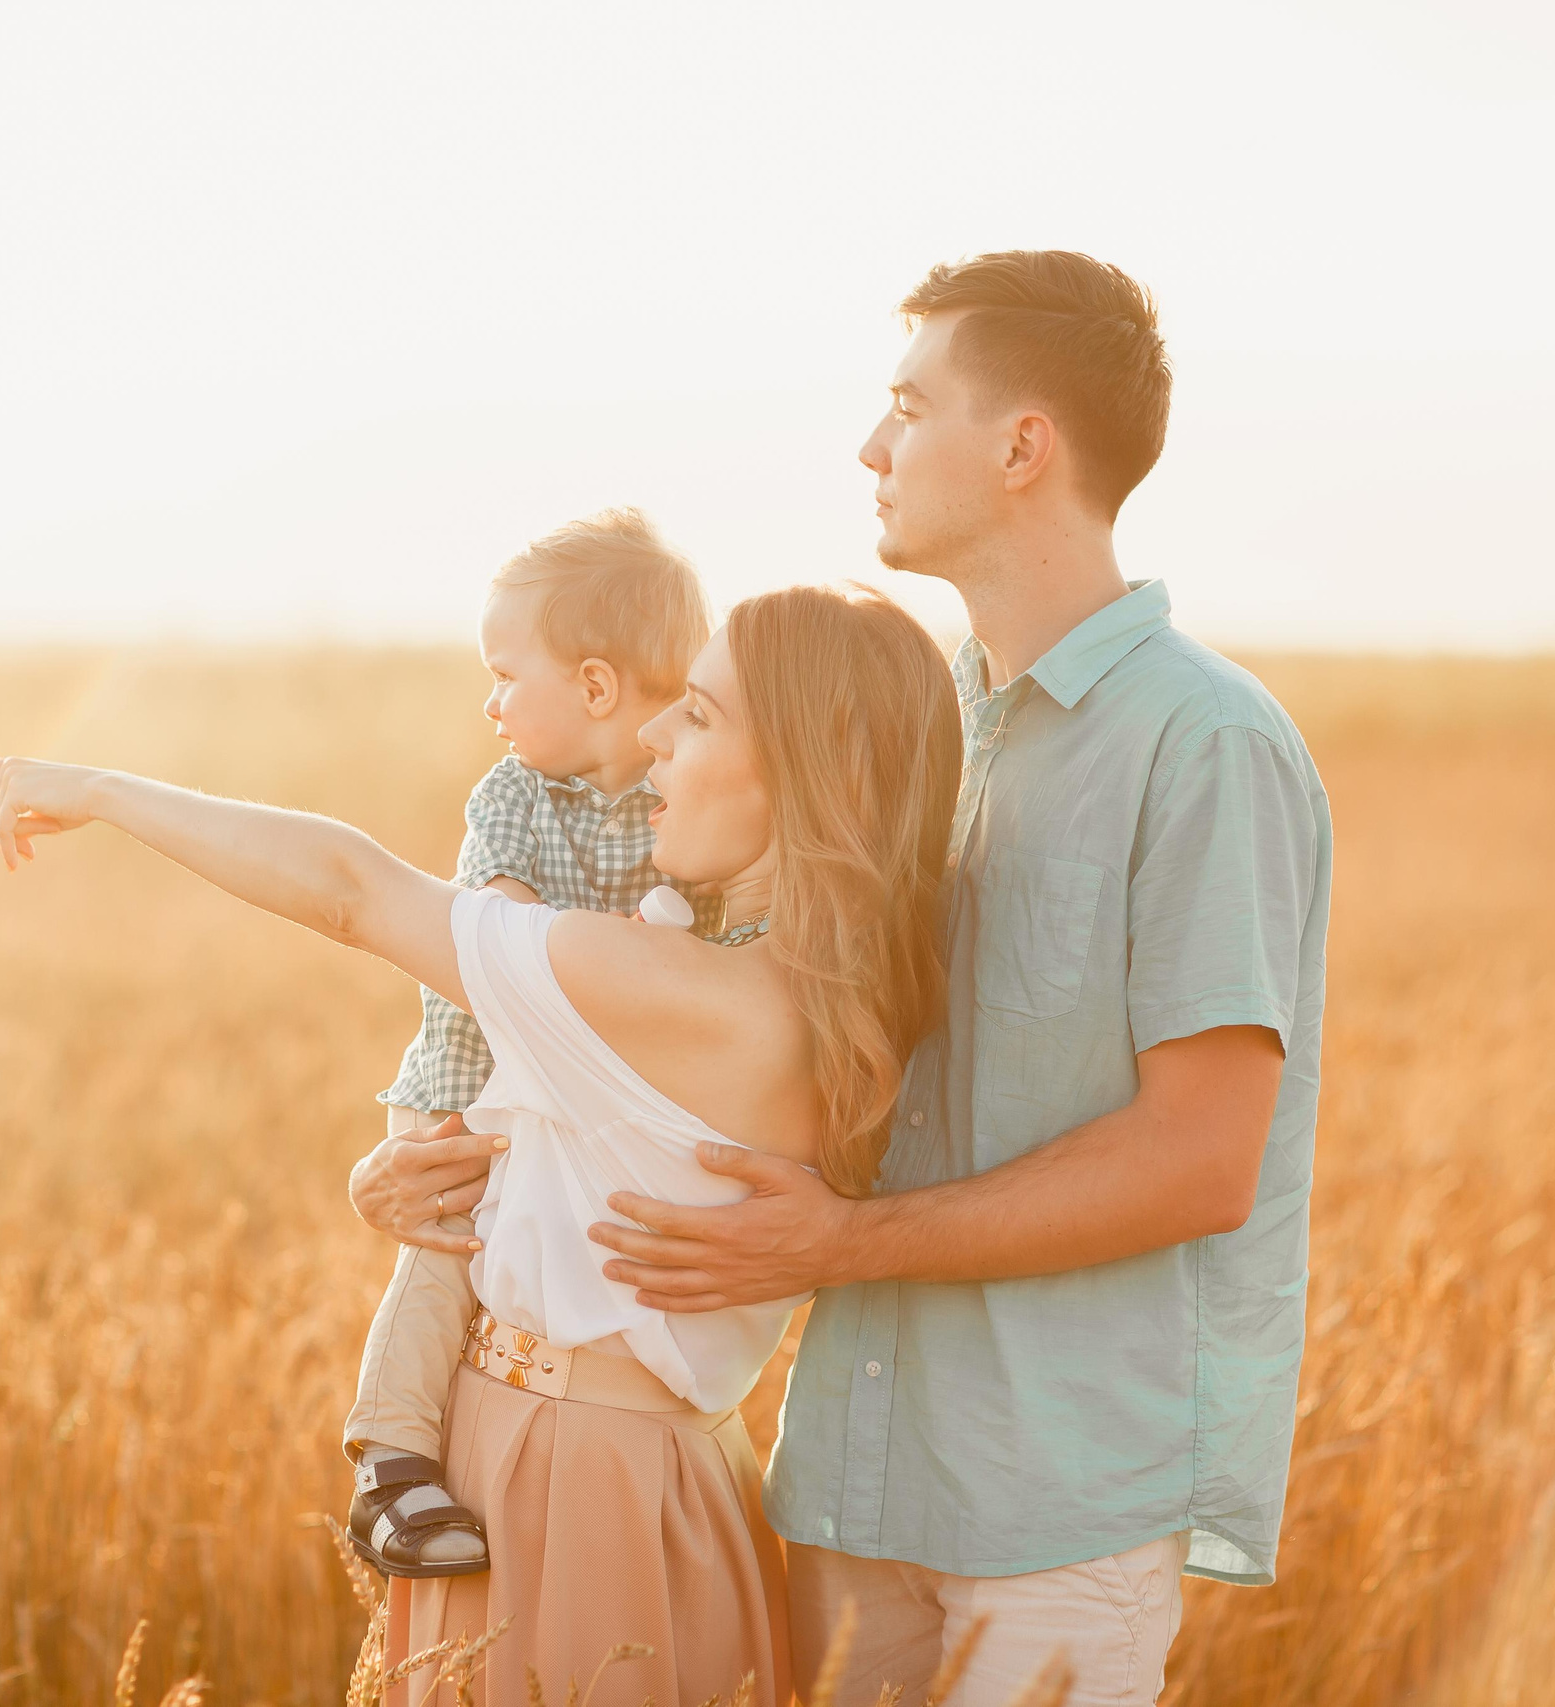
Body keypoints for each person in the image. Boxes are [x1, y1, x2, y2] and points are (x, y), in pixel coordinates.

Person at [354, 251, 1334, 1707]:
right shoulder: (900, 720)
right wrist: (453, 1169)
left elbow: (1199, 1160)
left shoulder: (1203, 743)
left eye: (906, 403)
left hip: (1051, 1510)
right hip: (849, 1483)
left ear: (1021, 448)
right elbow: (668, 1020)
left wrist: (834, 1247)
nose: (869, 445)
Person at [0, 580, 962, 1706]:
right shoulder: (826, 996)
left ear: (813, 775)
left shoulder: (668, 988)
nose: (655, 730)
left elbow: (349, 891)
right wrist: (413, 1176)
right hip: (661, 1473)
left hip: (562, 1483)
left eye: (701, 716)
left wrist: (100, 788)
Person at [346, 507, 713, 1580]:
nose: (490, 703)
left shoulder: (687, 797)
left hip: (581, 1103)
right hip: (475, 1088)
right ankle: (391, 1456)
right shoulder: (509, 794)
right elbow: (499, 931)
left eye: (507, 675)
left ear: (596, 688)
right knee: (444, 1258)